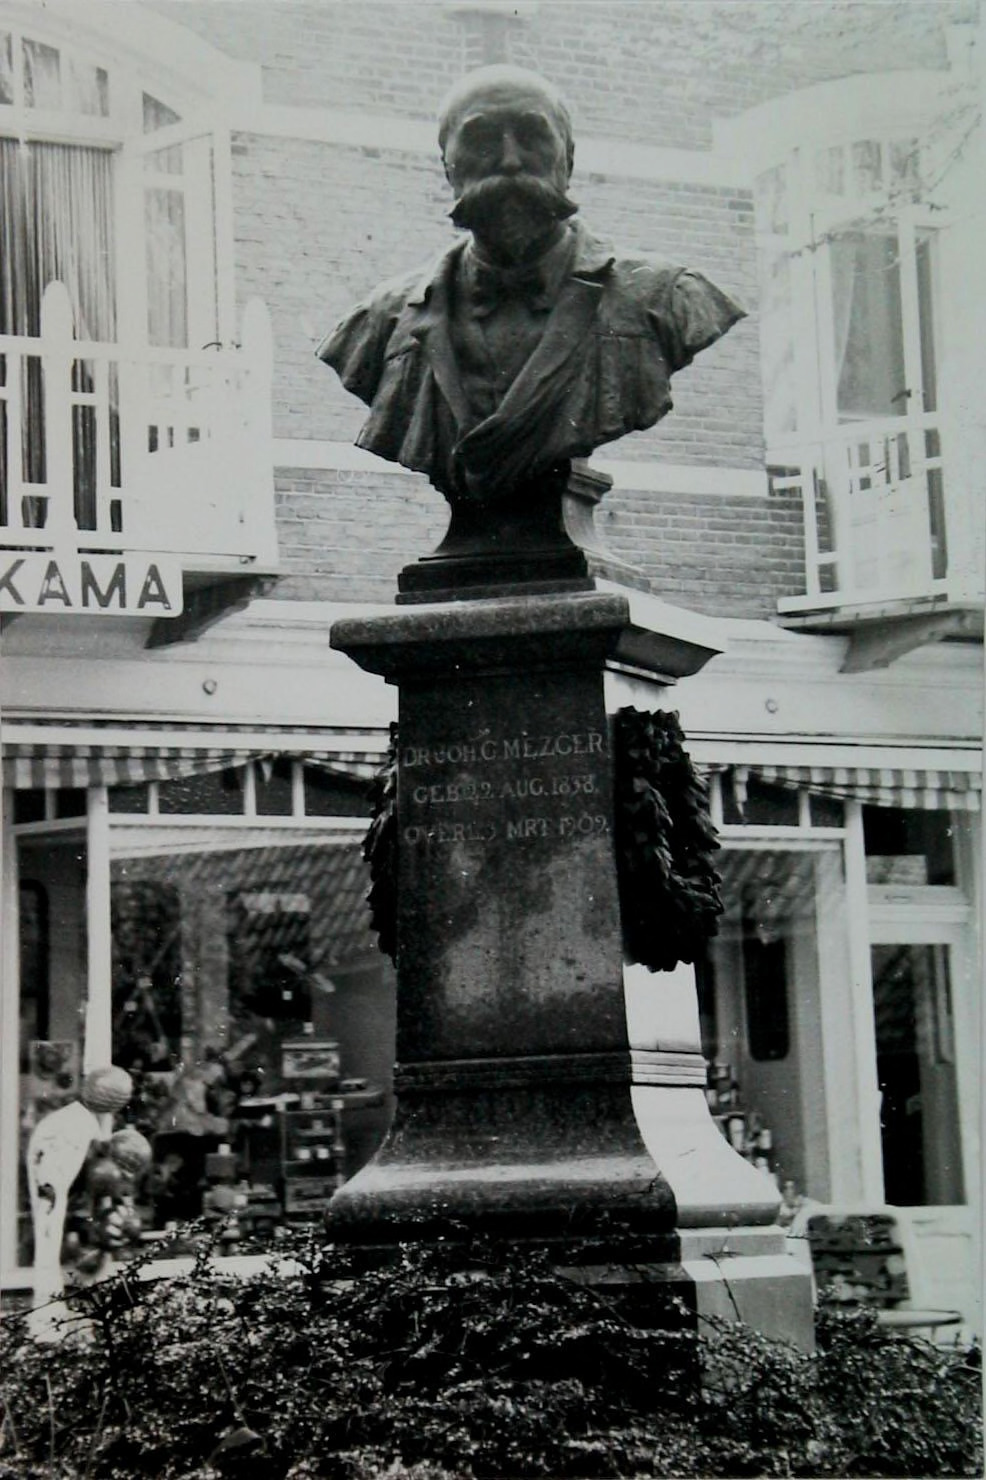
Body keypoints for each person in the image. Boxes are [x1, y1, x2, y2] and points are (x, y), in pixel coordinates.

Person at [318, 65, 746, 512]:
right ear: (448, 164)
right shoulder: (377, 324)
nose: (509, 160)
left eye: (532, 135)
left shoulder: (667, 300)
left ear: (569, 158)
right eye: (482, 139)